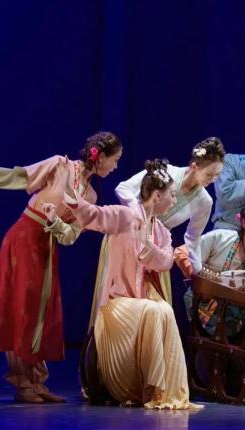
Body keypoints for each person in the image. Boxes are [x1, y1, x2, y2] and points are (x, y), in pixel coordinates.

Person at [0, 131, 123, 403]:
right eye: (115, 159)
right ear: (101, 157)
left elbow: (70, 236)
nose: (116, 166)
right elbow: (19, 177)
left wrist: (56, 224)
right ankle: (23, 382)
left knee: (41, 313)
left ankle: (37, 381)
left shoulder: (90, 195)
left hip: (47, 247)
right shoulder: (60, 165)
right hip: (24, 238)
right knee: (22, 308)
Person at [55, 159, 201, 409]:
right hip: (118, 302)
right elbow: (94, 215)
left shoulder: (161, 231)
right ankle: (148, 386)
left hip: (142, 303)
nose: (174, 200)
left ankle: (161, 391)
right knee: (153, 309)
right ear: (157, 196)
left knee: (164, 310)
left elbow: (166, 262)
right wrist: (71, 194)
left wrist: (148, 245)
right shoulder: (125, 216)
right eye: (172, 195)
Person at [174, 204, 245, 391]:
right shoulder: (220, 238)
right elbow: (182, 252)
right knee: (213, 342)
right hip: (201, 301)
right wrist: (203, 276)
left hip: (232, 312)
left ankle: (238, 383)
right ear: (242, 222)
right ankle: (212, 382)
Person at [114, 138, 225, 302]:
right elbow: (123, 188)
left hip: (156, 249)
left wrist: (198, 273)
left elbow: (193, 238)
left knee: (154, 306)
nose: (213, 179)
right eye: (209, 174)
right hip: (129, 237)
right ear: (194, 166)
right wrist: (140, 214)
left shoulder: (204, 201)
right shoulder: (165, 172)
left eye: (217, 175)